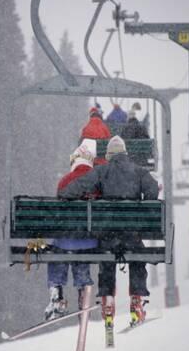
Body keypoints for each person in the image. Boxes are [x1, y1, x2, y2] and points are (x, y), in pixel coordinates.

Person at [57, 135, 159, 326]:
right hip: (132, 235)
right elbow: (153, 189)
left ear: (109, 155)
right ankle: (137, 298)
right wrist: (144, 204)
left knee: (106, 259)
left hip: (108, 234)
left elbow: (81, 186)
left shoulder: (101, 171)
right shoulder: (139, 172)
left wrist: (64, 193)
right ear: (125, 153)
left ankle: (107, 299)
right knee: (138, 260)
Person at [44, 139, 98, 321]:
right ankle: (84, 293)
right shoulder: (97, 180)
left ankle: (56, 294)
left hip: (65, 239)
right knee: (81, 253)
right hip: (90, 241)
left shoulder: (65, 181)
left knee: (59, 252)